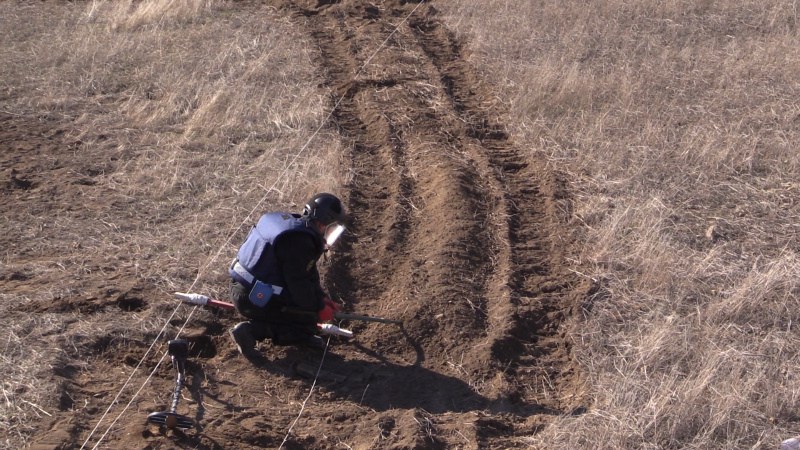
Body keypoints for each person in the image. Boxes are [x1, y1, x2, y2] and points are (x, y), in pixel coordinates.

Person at [228, 193, 345, 356]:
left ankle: (298, 329)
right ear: (320, 222)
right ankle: (251, 331)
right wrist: (318, 309)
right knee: (306, 324)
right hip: (254, 298)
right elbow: (299, 284)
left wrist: (320, 298)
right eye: (330, 227)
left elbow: (307, 271)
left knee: (307, 309)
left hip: (243, 287)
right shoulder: (299, 242)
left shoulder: (290, 226)